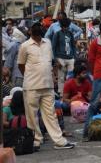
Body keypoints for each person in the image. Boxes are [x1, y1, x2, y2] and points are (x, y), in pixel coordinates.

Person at [17, 22, 75, 150]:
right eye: (36, 35)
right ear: (31, 33)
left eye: (39, 36)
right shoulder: (24, 46)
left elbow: (52, 62)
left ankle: (59, 141)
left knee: (51, 114)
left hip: (47, 85)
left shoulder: (47, 42)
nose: (38, 38)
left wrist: (53, 76)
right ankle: (36, 140)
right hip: (31, 85)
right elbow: (21, 65)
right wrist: (30, 76)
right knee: (32, 116)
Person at [52, 18, 76, 95]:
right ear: (61, 26)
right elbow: (53, 47)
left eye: (67, 26)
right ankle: (61, 93)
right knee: (61, 78)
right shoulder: (57, 34)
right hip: (60, 58)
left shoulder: (70, 34)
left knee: (70, 77)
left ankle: (70, 92)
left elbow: (73, 46)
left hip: (70, 58)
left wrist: (74, 57)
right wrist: (56, 60)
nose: (66, 28)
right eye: (64, 26)